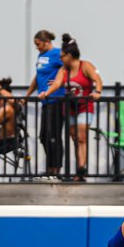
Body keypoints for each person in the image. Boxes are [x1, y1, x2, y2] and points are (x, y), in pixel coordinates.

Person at [38, 35, 103, 181]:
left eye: (62, 56)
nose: (60, 59)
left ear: (70, 55)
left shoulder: (85, 66)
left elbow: (97, 80)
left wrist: (97, 92)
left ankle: (81, 168)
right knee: (74, 138)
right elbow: (57, 84)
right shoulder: (64, 70)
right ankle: (79, 170)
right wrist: (46, 93)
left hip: (85, 107)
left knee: (81, 138)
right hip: (69, 108)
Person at [25, 29, 65, 179]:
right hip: (45, 100)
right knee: (44, 136)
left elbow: (69, 67)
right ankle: (50, 167)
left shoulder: (57, 53)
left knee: (53, 135)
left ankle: (56, 169)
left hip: (56, 99)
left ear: (47, 41)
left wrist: (59, 82)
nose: (37, 47)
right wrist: (27, 95)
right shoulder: (41, 55)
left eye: (38, 44)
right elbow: (38, 76)